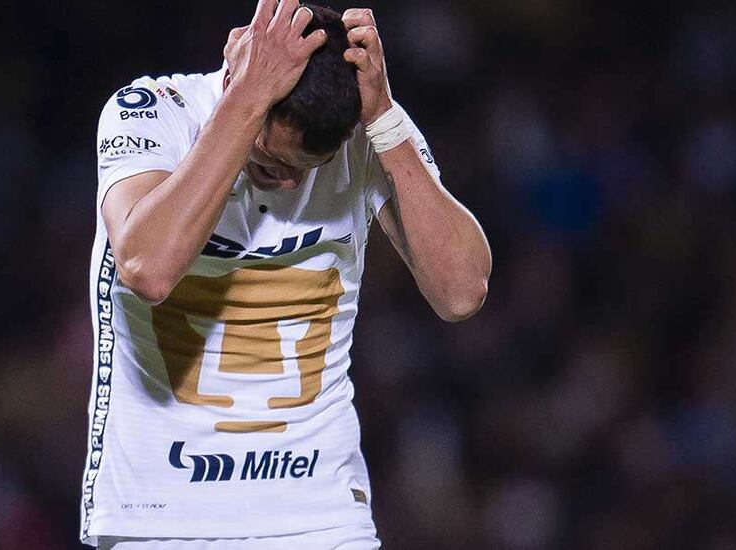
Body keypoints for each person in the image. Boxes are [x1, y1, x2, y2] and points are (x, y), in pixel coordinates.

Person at [81, 1, 492, 547]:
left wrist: (388, 123)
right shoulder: (155, 112)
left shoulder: (366, 133)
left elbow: (461, 292)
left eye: (307, 170)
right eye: (271, 164)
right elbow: (146, 268)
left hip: (319, 513)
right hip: (161, 515)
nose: (287, 186)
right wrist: (245, 100)